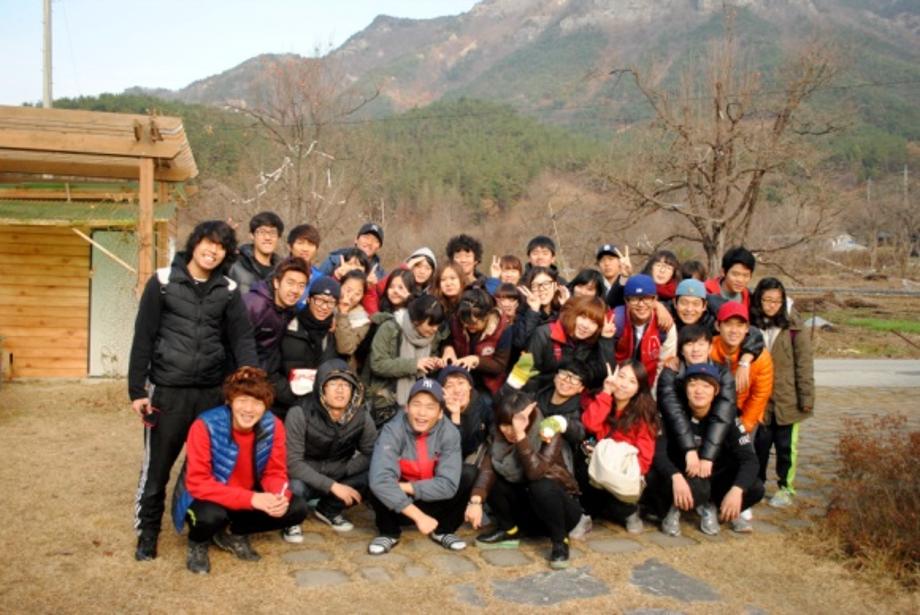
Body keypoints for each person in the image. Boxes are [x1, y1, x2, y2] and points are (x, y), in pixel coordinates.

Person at [129, 220, 259, 562]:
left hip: (211, 394)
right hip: (168, 392)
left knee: (213, 467)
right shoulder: (162, 282)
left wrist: (248, 376)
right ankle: (148, 534)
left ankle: (203, 529)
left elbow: (242, 337)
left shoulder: (228, 290)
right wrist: (136, 390)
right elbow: (143, 337)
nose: (213, 251)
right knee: (157, 468)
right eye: (208, 242)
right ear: (195, 242)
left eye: (221, 247)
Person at [171, 367, 308, 574]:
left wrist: (278, 496)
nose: (249, 409)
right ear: (230, 401)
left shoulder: (274, 425)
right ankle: (198, 542)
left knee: (296, 508)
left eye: (257, 403)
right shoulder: (204, 425)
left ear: (265, 406)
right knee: (210, 516)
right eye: (242, 400)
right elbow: (198, 483)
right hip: (207, 497)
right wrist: (253, 499)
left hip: (246, 495)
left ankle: (232, 533)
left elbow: (275, 472)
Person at [466, 390, 583, 569]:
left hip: (560, 512)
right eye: (505, 425)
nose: (510, 430)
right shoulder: (497, 436)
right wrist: (475, 502)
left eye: (514, 424)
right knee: (493, 475)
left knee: (540, 485)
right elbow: (487, 470)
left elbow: (535, 472)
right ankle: (509, 529)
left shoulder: (548, 433)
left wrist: (521, 436)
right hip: (527, 513)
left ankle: (560, 541)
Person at [645, 364, 765, 536]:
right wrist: (675, 476)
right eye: (693, 384)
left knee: (755, 487)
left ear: (716, 391)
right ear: (685, 388)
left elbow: (749, 459)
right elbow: (659, 453)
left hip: (716, 477)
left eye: (706, 386)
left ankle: (715, 508)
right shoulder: (674, 415)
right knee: (661, 478)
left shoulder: (726, 417)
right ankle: (673, 509)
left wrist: (737, 490)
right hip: (684, 475)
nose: (699, 391)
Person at [368, 378, 471, 555]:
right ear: (407, 407)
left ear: (440, 413)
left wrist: (405, 487)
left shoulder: (450, 432)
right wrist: (419, 517)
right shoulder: (392, 430)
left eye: (430, 407)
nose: (422, 413)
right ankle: (388, 532)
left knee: (468, 474)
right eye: (416, 404)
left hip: (432, 498)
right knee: (376, 478)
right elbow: (381, 481)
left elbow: (448, 485)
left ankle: (444, 530)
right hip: (397, 504)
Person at [283, 359, 377, 540]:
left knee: (372, 474)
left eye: (346, 384)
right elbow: (292, 463)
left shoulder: (361, 416)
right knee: (294, 486)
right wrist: (332, 486)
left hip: (338, 471)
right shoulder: (299, 412)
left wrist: (345, 469)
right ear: (321, 388)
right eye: (333, 383)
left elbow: (371, 452)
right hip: (305, 475)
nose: (340, 390)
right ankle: (292, 519)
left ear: (353, 390)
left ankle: (328, 510)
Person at [750, 278, 815, 507]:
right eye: (766, 300)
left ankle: (785, 488)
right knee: (759, 446)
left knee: (786, 448)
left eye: (776, 301)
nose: (771, 305)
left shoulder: (794, 327)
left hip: (788, 399)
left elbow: (804, 364)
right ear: (758, 300)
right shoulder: (751, 323)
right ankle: (756, 486)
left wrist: (806, 397)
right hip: (760, 400)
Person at [581, 360, 659, 533]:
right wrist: (607, 392)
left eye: (632, 381)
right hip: (598, 460)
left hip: (624, 467)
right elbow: (590, 425)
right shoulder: (600, 398)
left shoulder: (643, 413)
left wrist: (628, 472)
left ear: (639, 388)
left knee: (618, 501)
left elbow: (645, 454)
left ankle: (629, 511)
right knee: (583, 453)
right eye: (621, 377)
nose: (623, 384)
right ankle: (587, 514)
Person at [656, 324, 738, 485]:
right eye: (689, 344)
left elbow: (722, 415)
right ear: (681, 350)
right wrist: (689, 449)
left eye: (701, 344)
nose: (695, 349)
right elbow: (673, 413)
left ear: (710, 347)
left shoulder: (722, 373)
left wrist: (707, 456)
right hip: (678, 438)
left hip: (711, 437)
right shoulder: (670, 373)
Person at [366, 294, 448, 426]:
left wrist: (433, 364)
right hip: (386, 400)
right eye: (431, 324)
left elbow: (424, 365)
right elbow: (377, 364)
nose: (435, 329)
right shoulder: (390, 328)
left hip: (417, 401)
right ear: (416, 321)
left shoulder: (432, 336)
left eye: (437, 325)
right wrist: (414, 365)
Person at [274, 277, 342, 416]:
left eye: (330, 303)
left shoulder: (335, 332)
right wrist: (293, 397)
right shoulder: (287, 325)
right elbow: (271, 369)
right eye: (319, 300)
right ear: (309, 299)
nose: (324, 307)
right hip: (284, 405)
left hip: (318, 410)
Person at [526, 295, 615, 393]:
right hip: (538, 393)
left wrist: (606, 339)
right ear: (574, 315)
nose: (586, 325)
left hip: (568, 395)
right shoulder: (544, 333)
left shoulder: (591, 342)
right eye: (583, 317)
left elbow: (605, 373)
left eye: (593, 323)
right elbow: (527, 370)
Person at [710, 302, 774, 435]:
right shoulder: (708, 349)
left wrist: (745, 425)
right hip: (712, 415)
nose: (734, 330)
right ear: (718, 326)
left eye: (740, 325)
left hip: (745, 413)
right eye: (728, 324)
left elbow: (760, 394)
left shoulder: (761, 357)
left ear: (747, 328)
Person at [243, 257, 310, 373]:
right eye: (290, 283)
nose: (295, 290)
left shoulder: (290, 309)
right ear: (276, 283)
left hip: (268, 370)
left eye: (301, 285)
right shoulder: (255, 305)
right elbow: (237, 344)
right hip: (244, 372)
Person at [612, 274, 677, 388]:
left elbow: (664, 366)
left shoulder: (665, 326)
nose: (641, 304)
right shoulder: (615, 320)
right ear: (626, 301)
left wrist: (653, 394)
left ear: (654, 300)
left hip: (648, 385)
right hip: (616, 382)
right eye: (635, 299)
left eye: (647, 298)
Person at [444, 288, 512, 397]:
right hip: (459, 379)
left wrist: (476, 360)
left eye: (474, 323)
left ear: (488, 315)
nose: (468, 326)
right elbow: (447, 339)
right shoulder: (456, 320)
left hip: (487, 386)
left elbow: (500, 365)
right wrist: (448, 349)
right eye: (465, 322)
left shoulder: (503, 329)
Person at [440, 366, 492, 486]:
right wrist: (455, 416)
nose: (457, 390)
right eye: (449, 385)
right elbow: (451, 450)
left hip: (473, 454)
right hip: (450, 460)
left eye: (461, 383)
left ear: (470, 386)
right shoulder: (439, 412)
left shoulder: (481, 404)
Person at [229, 211, 284, 295]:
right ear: (252, 235)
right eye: (262, 232)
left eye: (272, 233)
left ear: (278, 237)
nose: (267, 237)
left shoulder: (282, 270)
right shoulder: (235, 263)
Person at [318, 222, 386, 281]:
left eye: (375, 241)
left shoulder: (380, 275)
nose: (369, 243)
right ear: (356, 240)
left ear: (379, 248)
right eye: (366, 237)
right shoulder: (333, 261)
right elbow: (316, 285)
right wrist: (335, 277)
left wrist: (373, 287)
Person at [334, 270, 372, 371]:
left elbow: (345, 348)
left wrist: (343, 314)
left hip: (342, 369)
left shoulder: (362, 320)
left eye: (357, 293)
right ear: (340, 286)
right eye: (348, 290)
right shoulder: (328, 304)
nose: (351, 296)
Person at [705, 246, 755, 312]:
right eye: (735, 274)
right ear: (723, 272)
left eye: (745, 275)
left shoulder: (750, 299)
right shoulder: (705, 294)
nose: (740, 280)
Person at [286, 223, 324, 289]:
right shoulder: (279, 272)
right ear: (289, 247)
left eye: (311, 244)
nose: (305, 249)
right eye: (300, 243)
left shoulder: (319, 278)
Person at [595, 243, 632, 308]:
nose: (607, 264)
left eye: (611, 259)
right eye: (602, 260)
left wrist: (625, 276)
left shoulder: (627, 284)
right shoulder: (595, 288)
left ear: (620, 262)